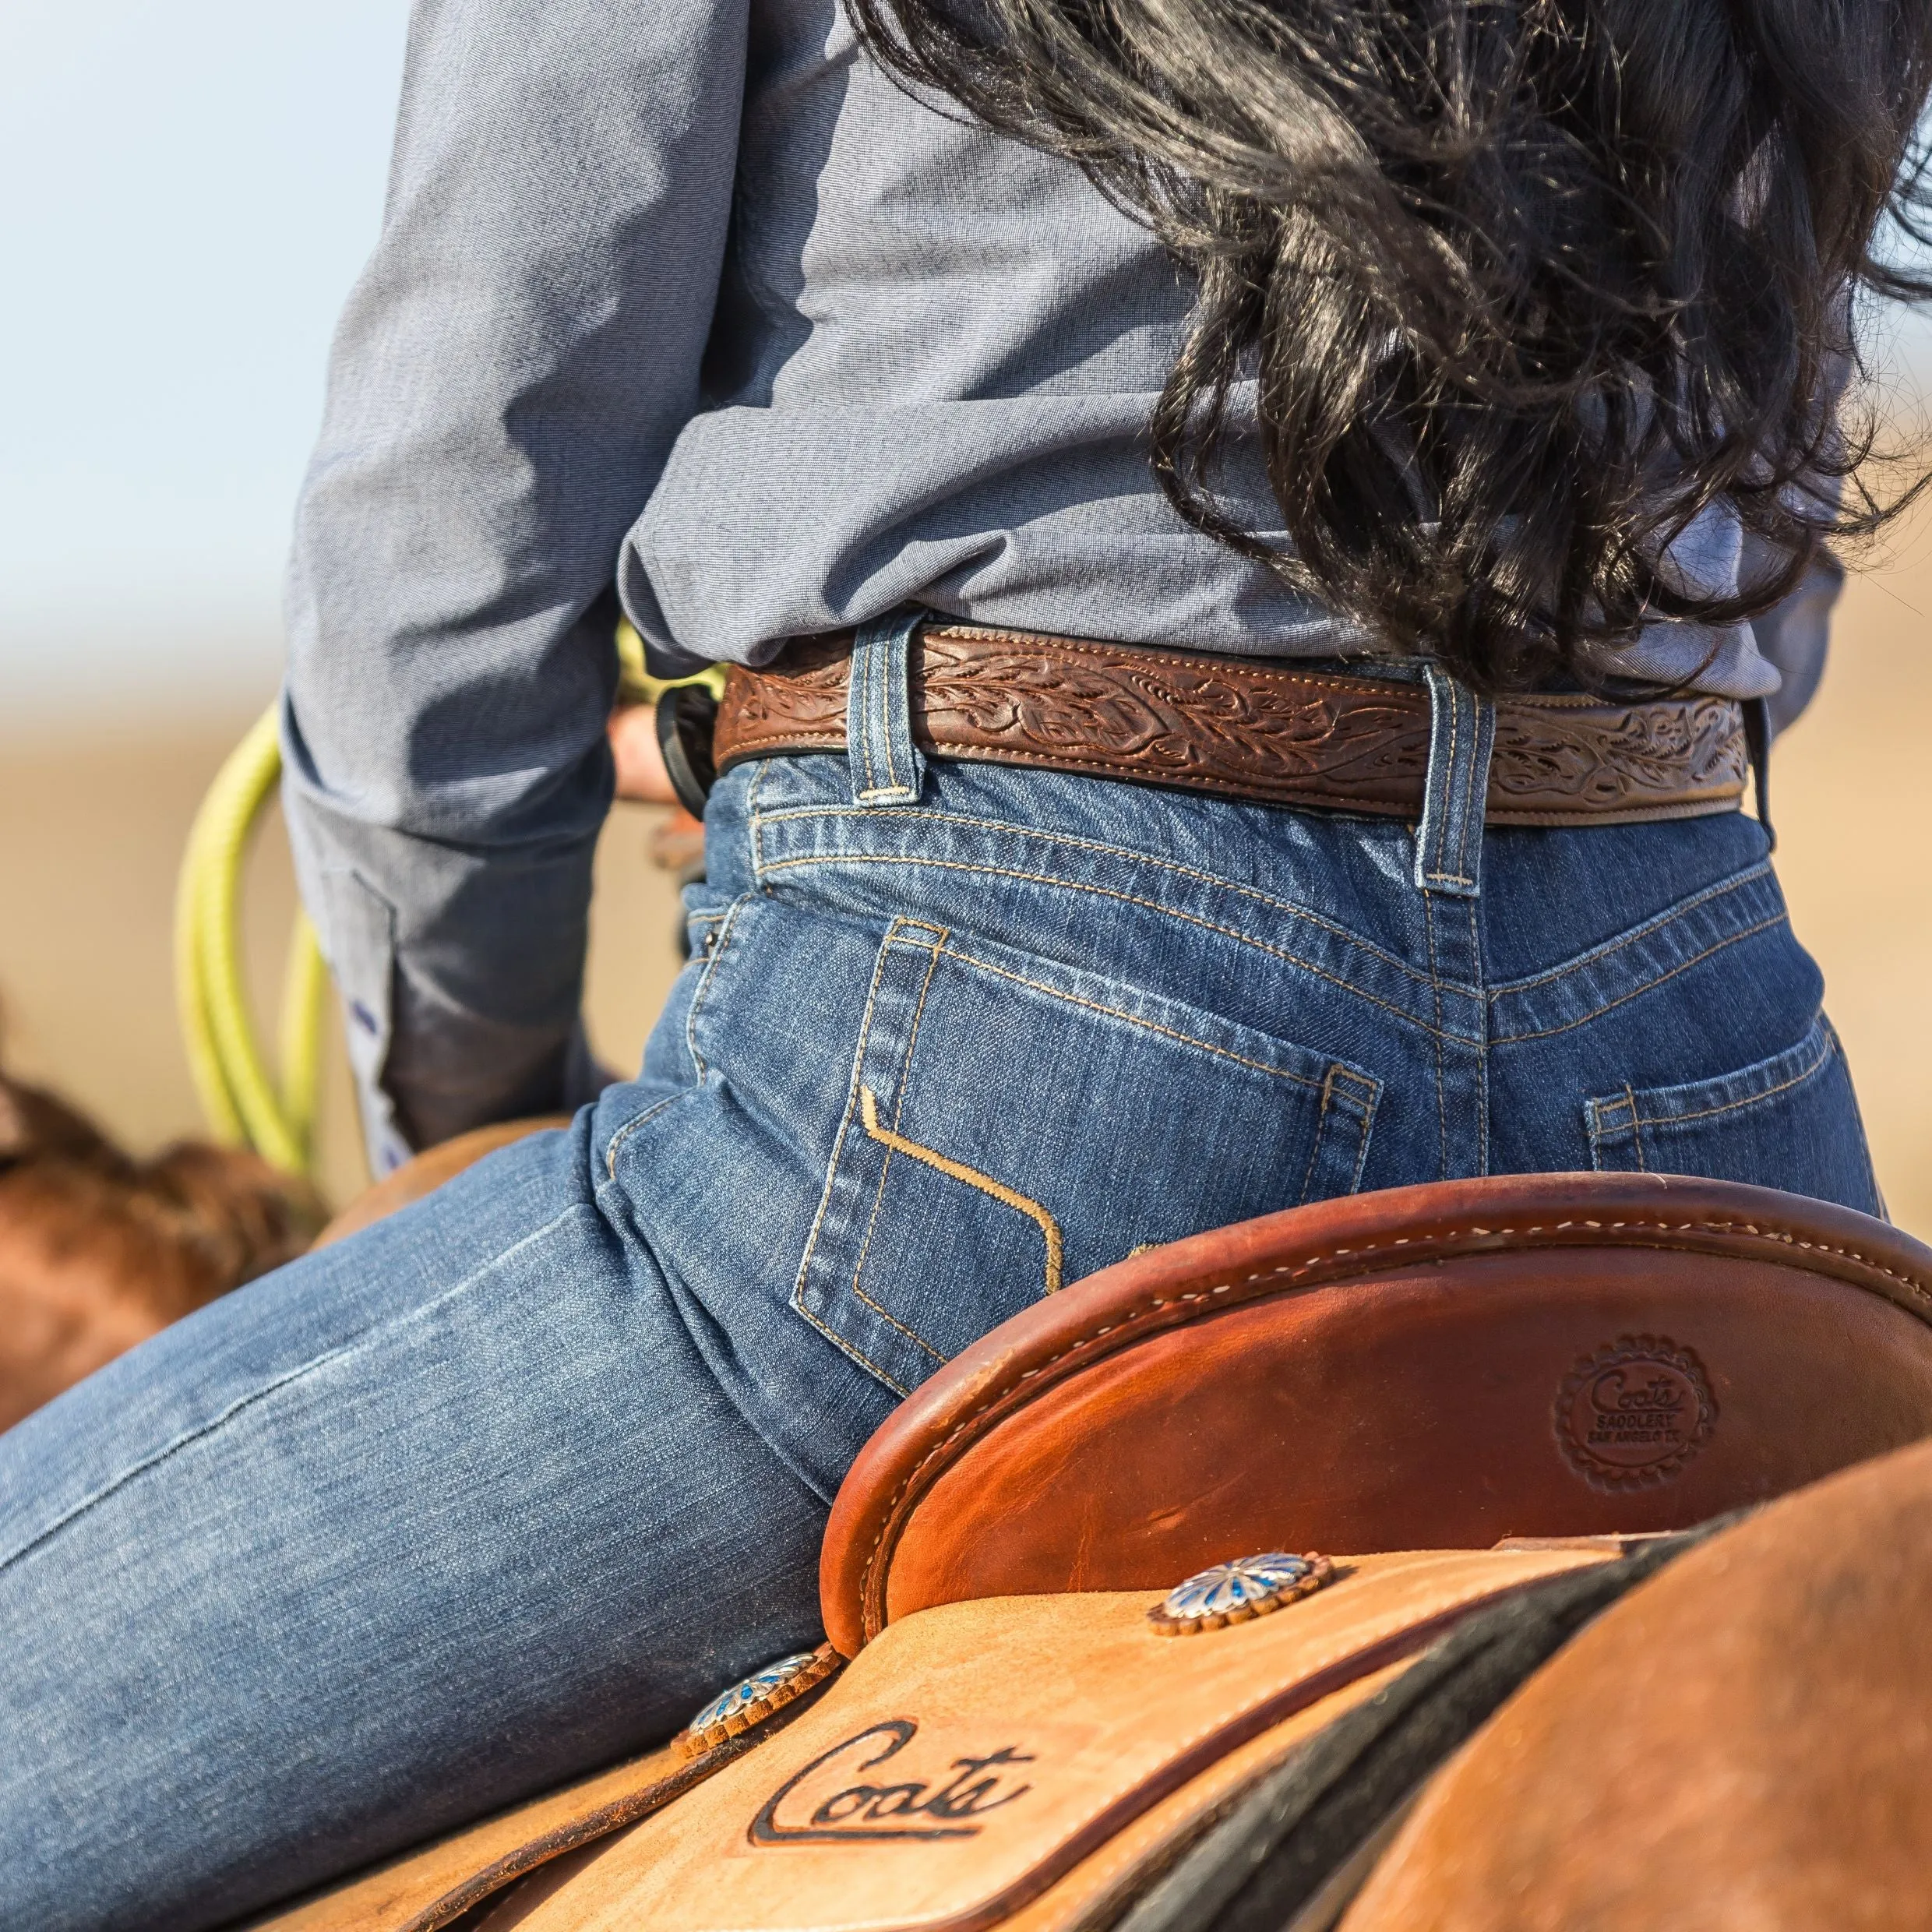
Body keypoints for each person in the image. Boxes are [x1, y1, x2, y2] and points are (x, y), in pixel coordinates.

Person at [3, 0, 1928, 1924]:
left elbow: (471, 475)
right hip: (1706, 1100)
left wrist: (469, 1092)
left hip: (978, 1096)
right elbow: (1770, 538)